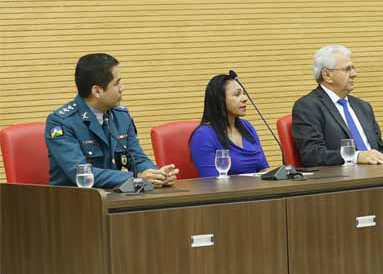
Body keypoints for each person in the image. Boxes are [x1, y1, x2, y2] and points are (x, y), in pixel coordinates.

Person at [45, 53, 178, 188]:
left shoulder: (121, 116)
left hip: (114, 198)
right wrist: (136, 178)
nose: (122, 88)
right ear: (97, 91)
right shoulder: (62, 122)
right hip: (73, 202)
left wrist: (157, 175)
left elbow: (136, 157)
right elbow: (81, 174)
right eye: (116, 83)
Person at [291, 44, 383, 166]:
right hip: (342, 179)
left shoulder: (363, 106)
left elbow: (377, 147)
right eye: (347, 69)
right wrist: (355, 156)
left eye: (353, 68)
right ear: (327, 75)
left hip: (376, 173)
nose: (354, 74)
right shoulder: (308, 106)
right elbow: (312, 154)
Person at [189, 74, 270, 177]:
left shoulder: (247, 127)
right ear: (220, 100)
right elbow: (211, 182)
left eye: (244, 94)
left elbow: (264, 170)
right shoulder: (203, 136)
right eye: (237, 95)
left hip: (259, 191)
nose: (244, 98)